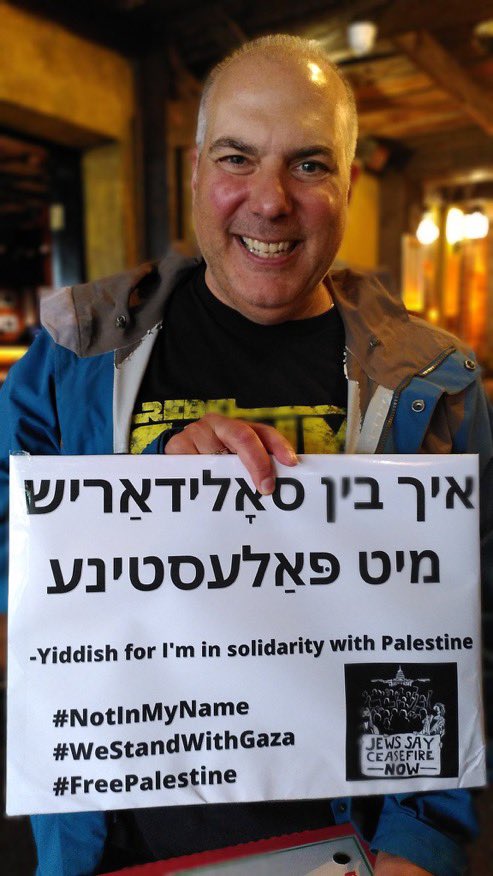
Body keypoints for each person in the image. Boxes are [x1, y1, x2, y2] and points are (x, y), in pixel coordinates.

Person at [0, 33, 491, 876]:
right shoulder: (72, 357)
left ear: (347, 182)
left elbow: (465, 635)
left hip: (348, 850)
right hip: (115, 849)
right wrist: (140, 509)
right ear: (196, 171)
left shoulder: (435, 384)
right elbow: (14, 592)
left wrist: (418, 842)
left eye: (308, 164)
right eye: (237, 157)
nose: (269, 201)